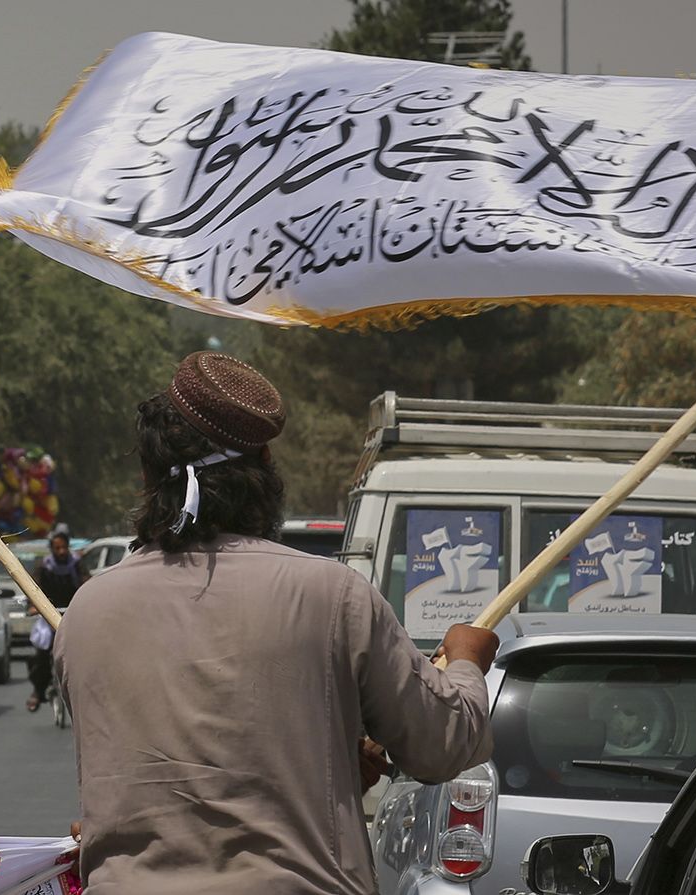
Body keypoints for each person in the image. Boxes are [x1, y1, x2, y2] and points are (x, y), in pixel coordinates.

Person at [55, 351, 496, 895]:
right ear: (264, 465)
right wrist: (468, 661)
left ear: (148, 474)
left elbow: (160, 775)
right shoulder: (333, 596)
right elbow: (443, 746)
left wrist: (323, 763)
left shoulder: (87, 611)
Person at [28, 532, 86, 712]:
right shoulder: (44, 567)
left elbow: (86, 583)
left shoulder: (76, 565)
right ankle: (38, 691)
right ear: (52, 549)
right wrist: (33, 606)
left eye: (64, 547)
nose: (61, 552)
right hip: (47, 615)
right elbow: (33, 588)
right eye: (57, 548)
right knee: (42, 655)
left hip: (71, 615)